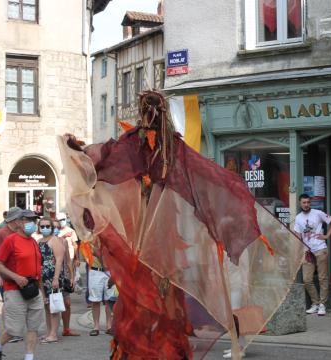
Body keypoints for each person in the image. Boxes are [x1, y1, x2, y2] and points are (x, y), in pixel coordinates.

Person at [58, 90, 305, 359]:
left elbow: (97, 163)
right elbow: (206, 177)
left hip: (153, 241)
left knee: (150, 300)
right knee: (154, 300)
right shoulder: (163, 148)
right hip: (156, 240)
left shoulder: (144, 146)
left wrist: (75, 148)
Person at [0, 208, 43, 360]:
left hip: (33, 289)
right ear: (19, 222)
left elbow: (37, 267)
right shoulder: (10, 240)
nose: (33, 223)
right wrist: (16, 277)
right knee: (14, 330)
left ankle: (29, 356)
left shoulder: (33, 241)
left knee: (34, 327)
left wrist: (41, 291)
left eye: (34, 220)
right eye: (29, 220)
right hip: (14, 289)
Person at [293, 193, 331, 316]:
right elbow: (297, 236)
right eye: (304, 202)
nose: (306, 204)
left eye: (308, 202)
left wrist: (327, 236)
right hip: (307, 251)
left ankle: (323, 304)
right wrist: (299, 251)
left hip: (320, 249)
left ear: (310, 202)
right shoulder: (298, 218)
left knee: (322, 278)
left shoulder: (318, 213)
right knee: (307, 279)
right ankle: (315, 303)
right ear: (300, 203)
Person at [37, 217, 71, 343]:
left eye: (47, 226)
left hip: (53, 278)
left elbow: (59, 260)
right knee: (46, 305)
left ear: (52, 227)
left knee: (54, 305)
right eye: (42, 226)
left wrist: (56, 278)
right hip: (42, 278)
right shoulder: (39, 241)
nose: (45, 228)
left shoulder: (55, 240)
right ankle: (48, 332)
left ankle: (53, 334)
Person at [55, 213, 81, 337]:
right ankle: (52, 330)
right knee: (52, 303)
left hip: (65, 269)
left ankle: (66, 329)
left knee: (67, 302)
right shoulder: (47, 239)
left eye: (63, 220)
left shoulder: (70, 233)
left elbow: (75, 246)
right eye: (58, 220)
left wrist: (71, 275)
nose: (61, 222)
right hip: (51, 275)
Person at [87, 248, 112, 336]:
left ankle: (109, 326)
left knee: (109, 300)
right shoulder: (92, 238)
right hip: (95, 270)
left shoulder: (110, 236)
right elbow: (94, 251)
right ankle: (96, 327)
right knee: (95, 300)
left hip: (110, 270)